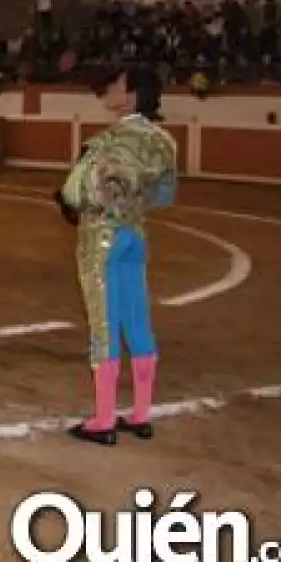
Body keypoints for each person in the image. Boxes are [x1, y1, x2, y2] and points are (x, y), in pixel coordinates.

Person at [55, 65, 178, 446]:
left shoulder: (105, 141)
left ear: (131, 94)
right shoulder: (164, 142)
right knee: (137, 320)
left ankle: (104, 419)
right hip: (135, 234)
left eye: (116, 85)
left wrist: (71, 202)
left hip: (102, 237)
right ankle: (140, 414)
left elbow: (75, 194)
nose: (109, 89)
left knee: (104, 323)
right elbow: (164, 196)